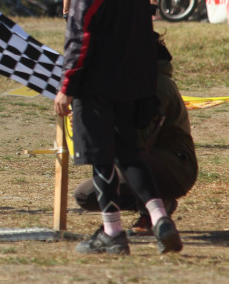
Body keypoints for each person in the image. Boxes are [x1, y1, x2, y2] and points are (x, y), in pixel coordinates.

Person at [54, 0, 182, 256]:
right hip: (133, 80)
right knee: (130, 153)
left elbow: (80, 37)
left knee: (101, 157)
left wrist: (66, 88)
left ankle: (112, 233)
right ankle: (160, 218)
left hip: (95, 85)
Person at [74, 33, 198, 237]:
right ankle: (157, 204)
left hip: (175, 167)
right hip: (156, 160)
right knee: (86, 195)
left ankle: (151, 211)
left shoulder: (156, 87)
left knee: (127, 156)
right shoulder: (141, 82)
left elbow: (139, 143)